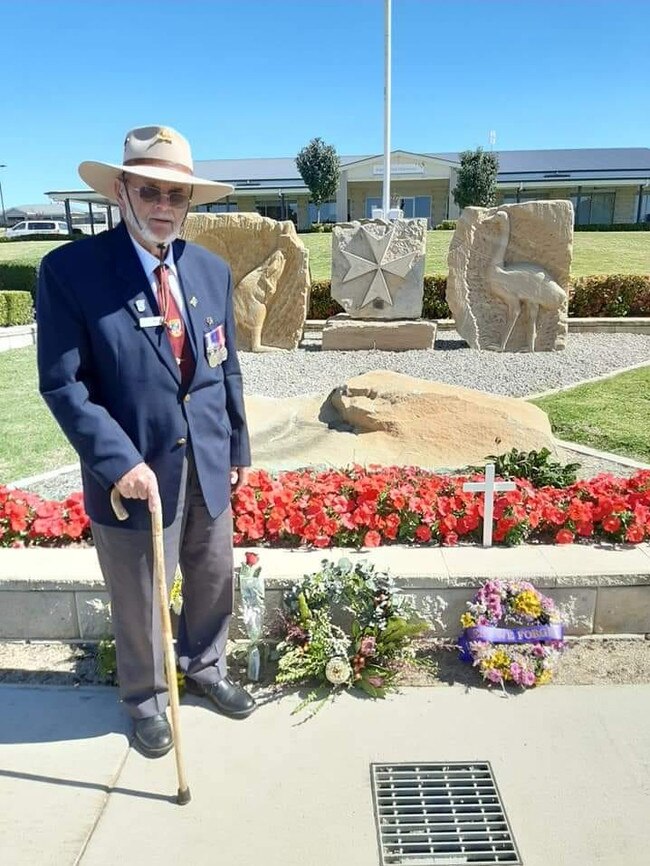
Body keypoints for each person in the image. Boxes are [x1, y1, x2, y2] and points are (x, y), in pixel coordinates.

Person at [37, 125, 256, 759]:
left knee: (213, 576)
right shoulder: (72, 273)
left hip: (208, 461)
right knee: (139, 593)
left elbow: (225, 367)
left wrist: (237, 448)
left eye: (177, 195)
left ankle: (205, 666)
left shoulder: (209, 271)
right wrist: (117, 462)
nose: (164, 206)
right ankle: (146, 698)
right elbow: (63, 385)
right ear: (122, 192)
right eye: (150, 191)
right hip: (134, 474)